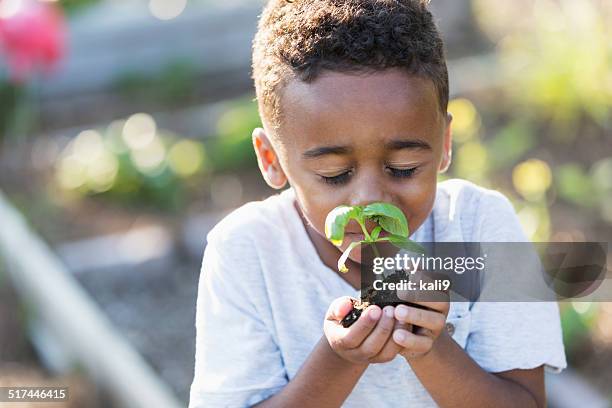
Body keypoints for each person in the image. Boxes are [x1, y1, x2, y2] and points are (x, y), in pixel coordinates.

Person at [189, 0, 566, 406]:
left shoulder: (480, 228)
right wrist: (339, 360)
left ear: (444, 145)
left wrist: (430, 347)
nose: (369, 199)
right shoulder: (245, 251)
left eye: (404, 168)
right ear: (271, 160)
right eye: (334, 175)